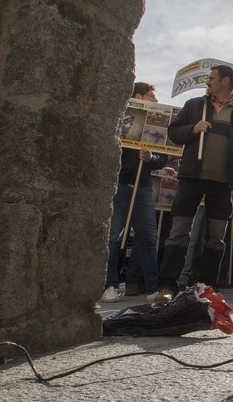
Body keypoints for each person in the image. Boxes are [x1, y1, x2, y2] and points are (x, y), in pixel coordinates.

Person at [152, 65, 233, 302]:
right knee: (179, 232)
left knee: (216, 237)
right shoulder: (194, 106)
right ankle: (167, 287)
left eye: (211, 78)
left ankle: (206, 290)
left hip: (222, 184)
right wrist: (193, 128)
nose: (207, 81)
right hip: (191, 177)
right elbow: (174, 133)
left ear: (226, 81)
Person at [101, 82, 169, 303]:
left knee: (149, 237)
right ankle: (109, 285)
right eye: (152, 96)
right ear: (139, 96)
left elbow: (163, 158)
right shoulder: (121, 119)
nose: (156, 101)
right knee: (112, 237)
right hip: (120, 185)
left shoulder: (157, 130)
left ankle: (151, 288)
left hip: (142, 189)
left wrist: (151, 158)